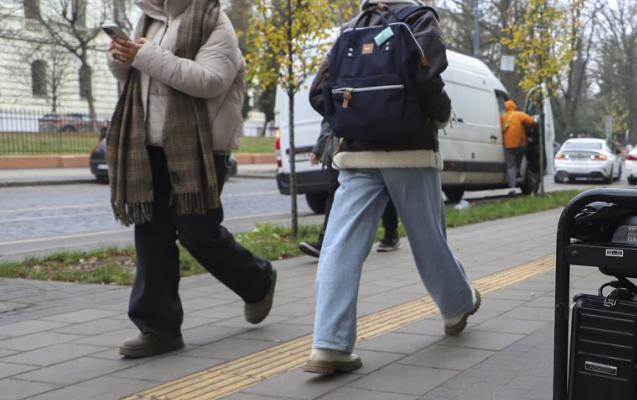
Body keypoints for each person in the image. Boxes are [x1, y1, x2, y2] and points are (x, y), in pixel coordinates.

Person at [303, 0, 479, 375]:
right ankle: (457, 305)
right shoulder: (420, 18)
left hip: (357, 155)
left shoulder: (355, 24)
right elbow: (428, 77)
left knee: (339, 246)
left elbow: (320, 91)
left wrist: (352, 121)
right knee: (428, 238)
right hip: (411, 151)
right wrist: (441, 113)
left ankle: (330, 344)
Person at [105, 0, 276, 358]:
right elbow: (136, 77)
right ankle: (159, 329)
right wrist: (121, 58)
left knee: (198, 232)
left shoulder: (215, 22)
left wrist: (145, 55)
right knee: (151, 235)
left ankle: (257, 280)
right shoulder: (148, 20)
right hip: (148, 144)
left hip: (200, 149)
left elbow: (209, 81)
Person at [298, 122, 400, 258]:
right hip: (340, 150)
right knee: (335, 195)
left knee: (382, 189)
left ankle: (391, 233)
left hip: (363, 145)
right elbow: (329, 118)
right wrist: (319, 149)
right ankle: (325, 242)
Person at [501, 99, 536, 194]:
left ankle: (512, 188)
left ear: (505, 108)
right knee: (519, 160)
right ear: (514, 106)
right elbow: (532, 122)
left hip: (508, 145)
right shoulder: (519, 114)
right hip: (520, 144)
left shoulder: (503, 117)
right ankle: (518, 171)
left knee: (510, 166)